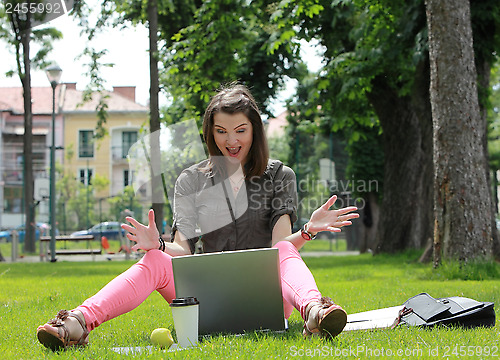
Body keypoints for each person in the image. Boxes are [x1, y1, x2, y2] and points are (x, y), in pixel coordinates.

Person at [36, 84, 359, 351]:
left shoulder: (279, 176)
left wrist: (307, 230)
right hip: (204, 304)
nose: (231, 141)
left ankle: (315, 311)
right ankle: (76, 323)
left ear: (255, 130)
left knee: (287, 250)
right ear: (210, 132)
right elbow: (182, 251)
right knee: (154, 260)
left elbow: (279, 248)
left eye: (240, 131)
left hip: (267, 301)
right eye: (221, 131)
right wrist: (159, 245)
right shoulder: (191, 180)